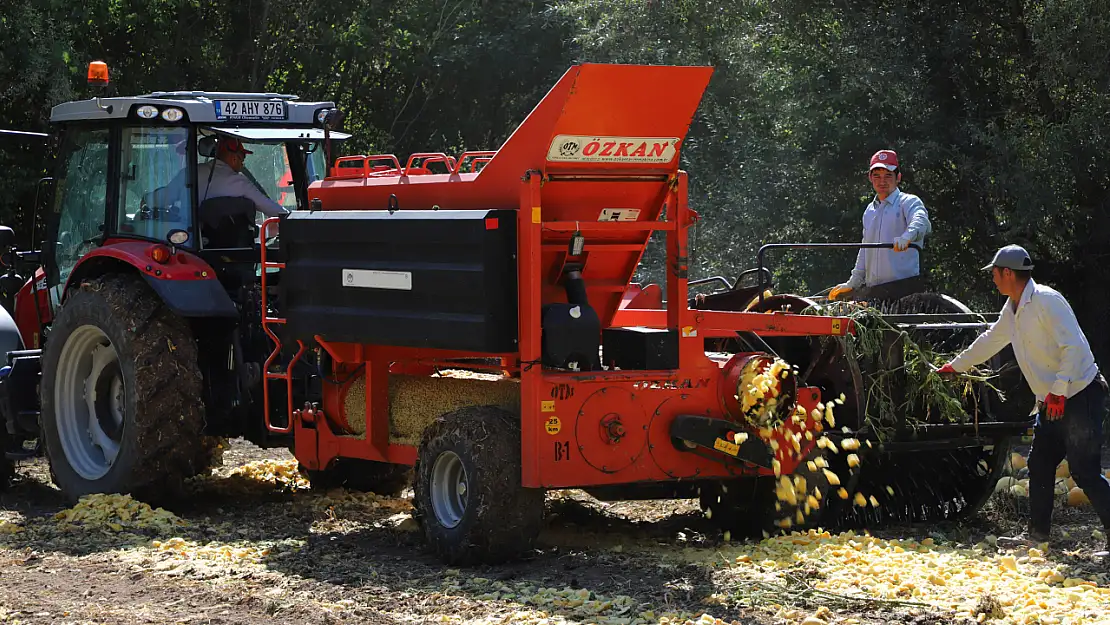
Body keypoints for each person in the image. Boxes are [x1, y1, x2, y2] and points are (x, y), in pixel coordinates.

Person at [936, 244, 1110, 557]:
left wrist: (1058, 390)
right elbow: (991, 339)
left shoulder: (1046, 300)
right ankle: (1038, 538)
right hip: (1051, 400)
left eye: (995, 274)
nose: (992, 279)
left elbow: (1073, 346)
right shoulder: (1013, 307)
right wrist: (956, 366)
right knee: (1040, 465)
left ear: (1008, 273)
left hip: (1080, 392)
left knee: (1084, 470)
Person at [829, 149, 932, 301]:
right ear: (870, 178)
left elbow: (921, 221)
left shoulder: (908, 202)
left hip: (905, 291)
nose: (882, 181)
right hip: (874, 293)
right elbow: (865, 249)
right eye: (876, 176)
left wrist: (907, 237)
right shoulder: (869, 211)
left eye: (888, 176)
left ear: (898, 178)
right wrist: (853, 282)